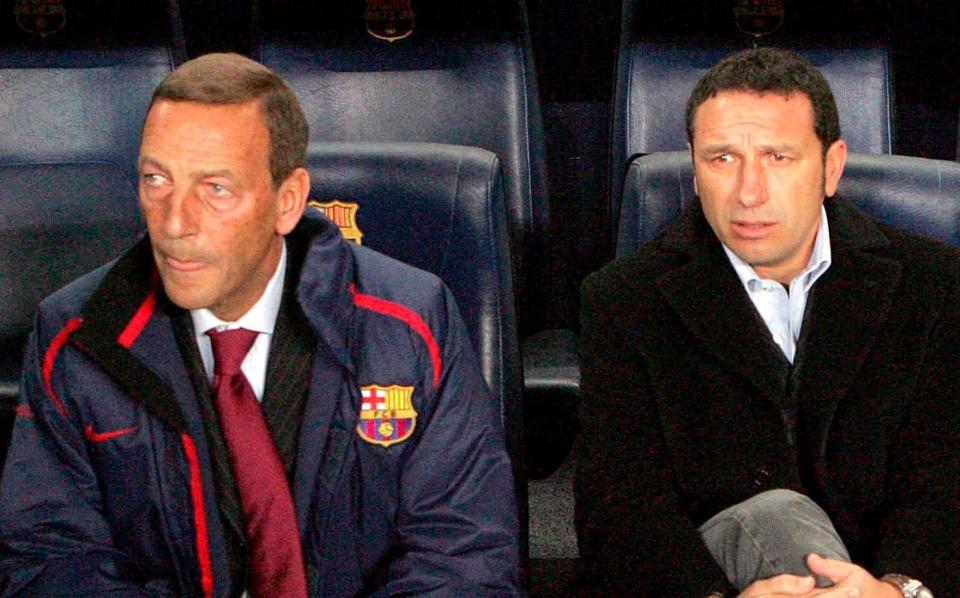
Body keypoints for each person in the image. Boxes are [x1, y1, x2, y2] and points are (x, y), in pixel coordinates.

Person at [0, 53, 521, 597]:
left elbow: (464, 559)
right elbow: (49, 562)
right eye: (156, 179)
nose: (175, 221)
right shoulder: (74, 335)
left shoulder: (410, 323)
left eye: (216, 188)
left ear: (287, 201)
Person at [576, 47, 958, 597]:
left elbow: (943, 479)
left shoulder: (935, 284)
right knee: (779, 518)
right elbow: (622, 506)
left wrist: (897, 588)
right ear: (695, 168)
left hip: (882, 578)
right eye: (721, 159)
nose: (748, 193)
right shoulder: (623, 299)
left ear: (831, 167)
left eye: (778, 157)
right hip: (715, 574)